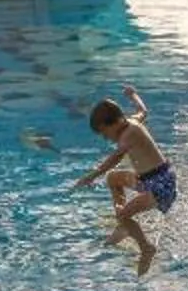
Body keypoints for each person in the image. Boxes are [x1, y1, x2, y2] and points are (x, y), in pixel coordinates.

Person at [72, 83, 174, 274]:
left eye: (104, 133)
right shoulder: (132, 122)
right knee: (113, 179)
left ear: (114, 123)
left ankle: (146, 247)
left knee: (123, 213)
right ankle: (124, 226)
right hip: (150, 179)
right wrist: (133, 94)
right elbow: (143, 110)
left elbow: (115, 158)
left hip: (160, 186)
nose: (105, 138)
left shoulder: (128, 135)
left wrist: (91, 176)